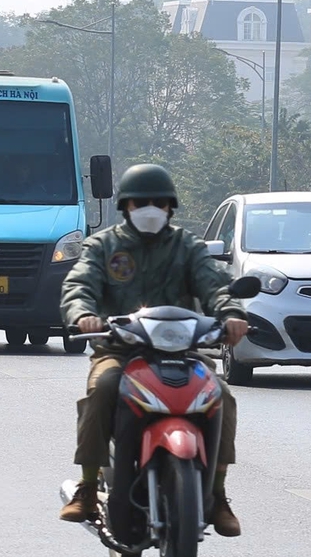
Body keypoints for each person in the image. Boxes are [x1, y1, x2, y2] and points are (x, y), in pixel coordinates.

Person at [58, 163, 247, 537]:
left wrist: (231, 314)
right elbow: (78, 285)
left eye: (157, 202)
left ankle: (219, 493)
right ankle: (88, 485)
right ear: (126, 207)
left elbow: (216, 285)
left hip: (184, 352)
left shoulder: (187, 247)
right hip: (120, 350)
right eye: (140, 202)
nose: (149, 208)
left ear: (170, 206)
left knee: (221, 395)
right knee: (103, 389)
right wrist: (83, 315)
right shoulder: (103, 246)